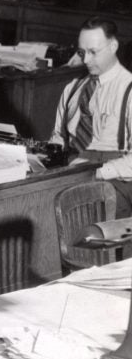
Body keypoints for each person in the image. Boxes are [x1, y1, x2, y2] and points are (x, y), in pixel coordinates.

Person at [48, 17, 132, 217]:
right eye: (81, 52)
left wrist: (97, 171)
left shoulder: (128, 90)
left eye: (93, 52)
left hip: (115, 181)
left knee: (78, 211)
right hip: (72, 173)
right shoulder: (72, 89)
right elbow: (58, 139)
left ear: (113, 46)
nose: (85, 60)